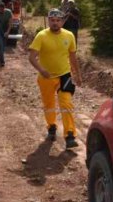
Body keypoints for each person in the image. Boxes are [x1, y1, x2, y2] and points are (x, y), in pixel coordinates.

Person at [28, 8, 83, 148]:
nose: (55, 23)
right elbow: (32, 57)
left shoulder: (69, 36)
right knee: (49, 105)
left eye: (58, 20)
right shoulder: (41, 36)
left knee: (66, 104)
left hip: (64, 75)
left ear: (62, 22)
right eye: (52, 20)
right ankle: (51, 127)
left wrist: (77, 74)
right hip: (46, 77)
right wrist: (41, 70)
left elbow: (72, 57)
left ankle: (70, 135)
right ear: (48, 20)